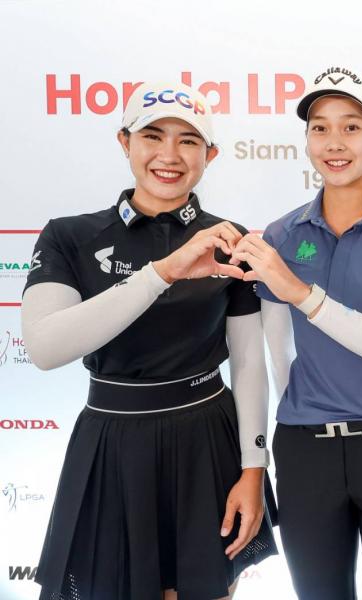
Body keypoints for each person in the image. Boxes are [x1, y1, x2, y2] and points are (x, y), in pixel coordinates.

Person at [23, 81, 277, 600]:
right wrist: (163, 272)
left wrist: (254, 468)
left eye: (188, 141)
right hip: (111, 442)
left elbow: (249, 361)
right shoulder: (69, 236)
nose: (169, 155)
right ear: (125, 142)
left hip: (207, 439)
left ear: (209, 155)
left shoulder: (229, 238)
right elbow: (46, 349)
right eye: (153, 136)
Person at [228, 67, 362, 599]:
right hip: (306, 451)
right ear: (307, 141)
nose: (335, 143)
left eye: (351, 127)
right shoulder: (282, 234)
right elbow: (278, 355)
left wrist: (301, 293)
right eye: (320, 128)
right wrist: (305, 414)